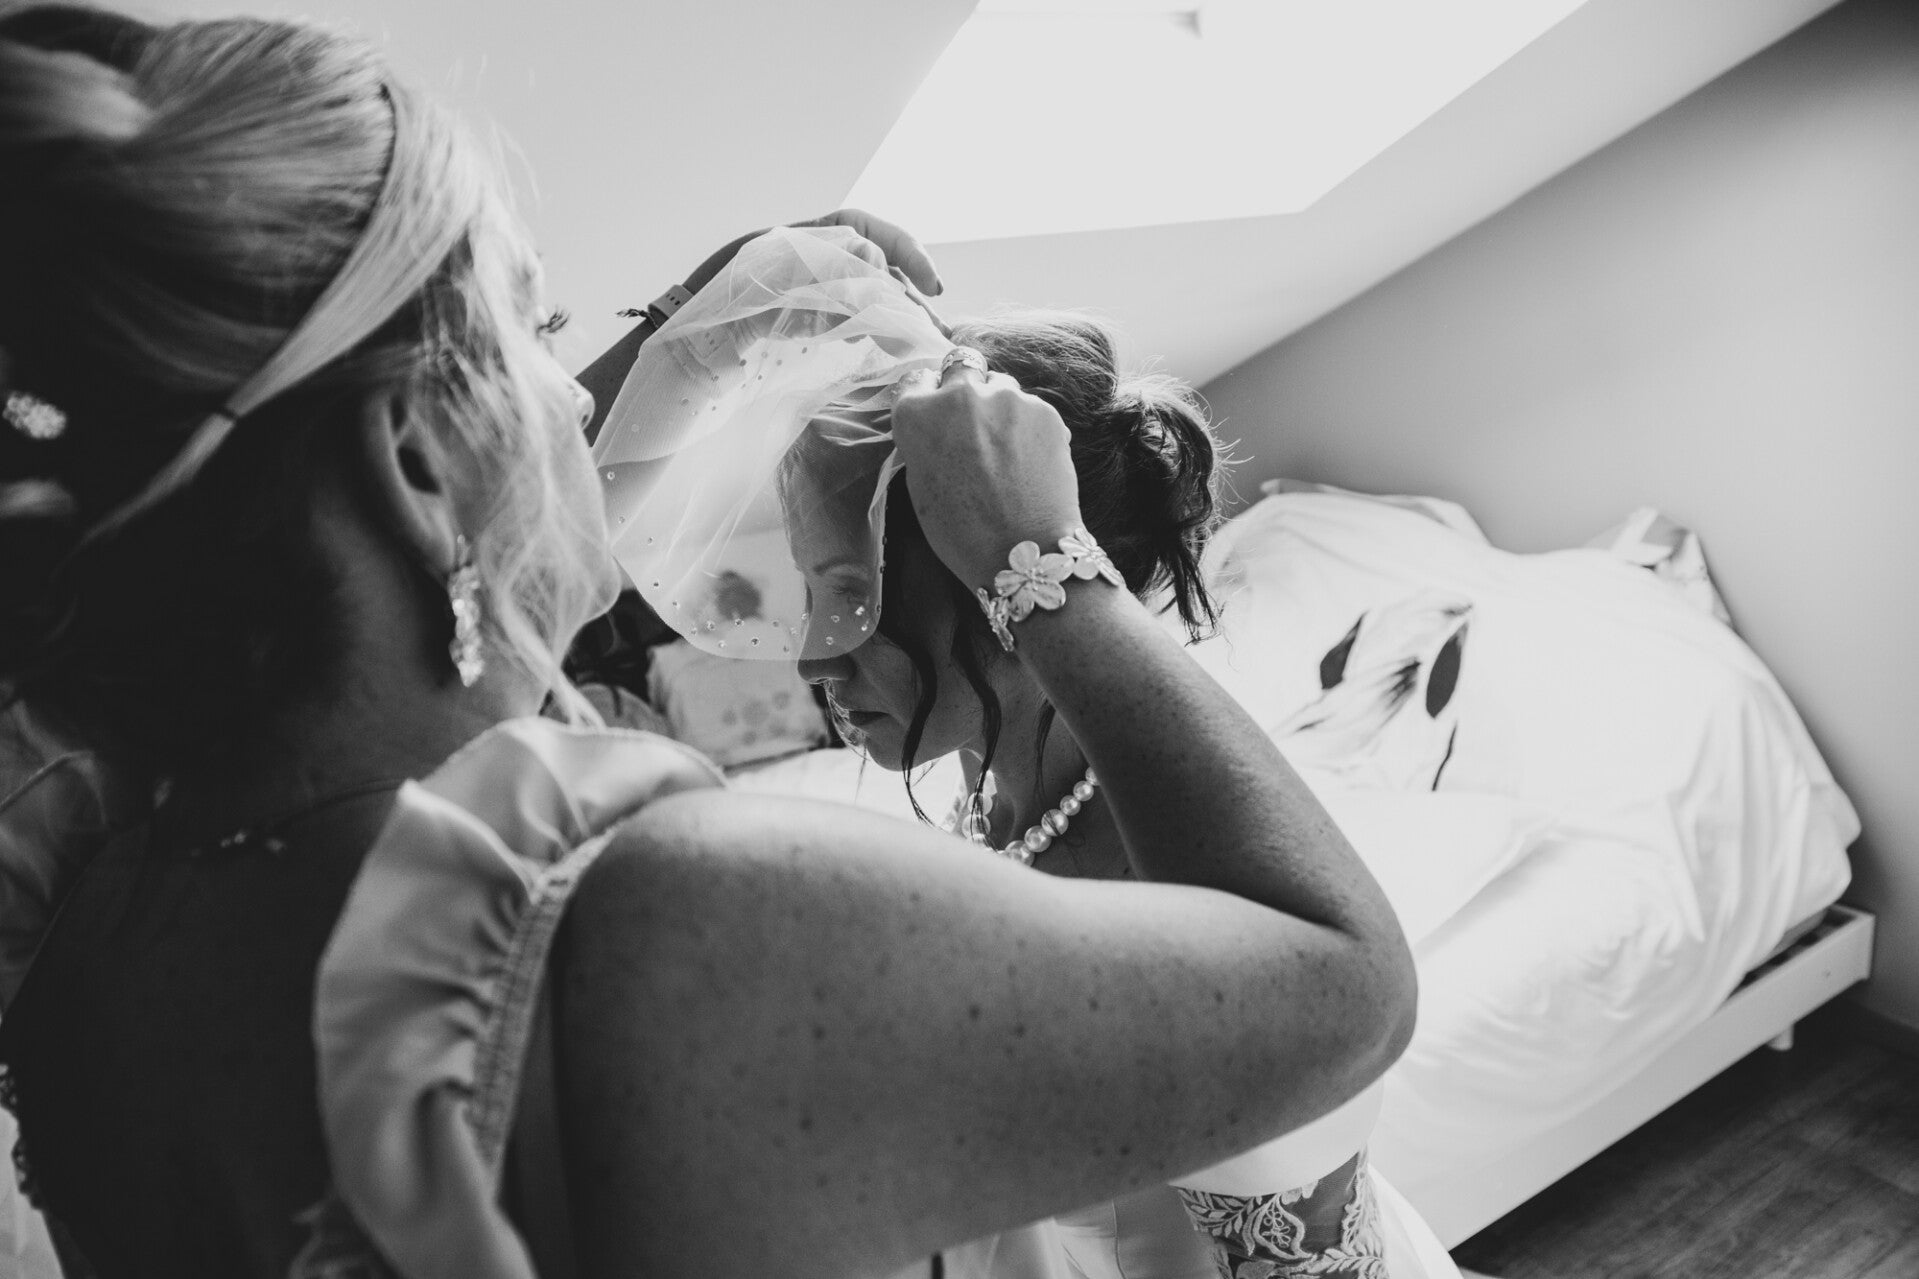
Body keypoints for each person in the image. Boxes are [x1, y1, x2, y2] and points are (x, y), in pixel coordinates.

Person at [0, 9, 1416, 1279]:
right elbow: (1341, 986)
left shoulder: (87, 957)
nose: (579, 394)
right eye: (534, 329)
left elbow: (462, 583)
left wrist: (699, 316)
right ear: (412, 465)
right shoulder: (675, 934)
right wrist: (1038, 567)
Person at [602, 230, 1458, 1279]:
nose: (814, 656)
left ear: (988, 575)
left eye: (852, 595)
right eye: (814, 591)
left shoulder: (1153, 868)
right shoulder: (1002, 785)